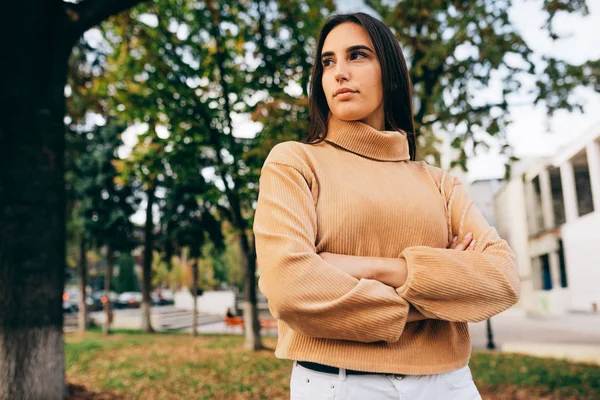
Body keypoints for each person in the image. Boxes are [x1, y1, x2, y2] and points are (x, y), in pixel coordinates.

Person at [253, 12, 520, 400]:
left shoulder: (438, 182)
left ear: (390, 72)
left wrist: (375, 267)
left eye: (357, 55)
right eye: (328, 62)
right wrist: (439, 295)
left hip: (449, 384)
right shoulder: (294, 162)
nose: (339, 72)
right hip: (338, 384)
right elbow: (290, 290)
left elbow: (502, 279)